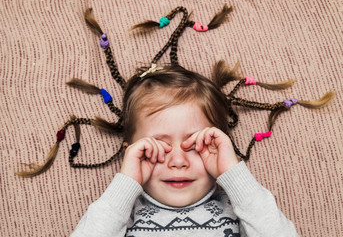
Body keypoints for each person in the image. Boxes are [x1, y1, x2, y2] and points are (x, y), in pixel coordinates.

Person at [70, 65, 300, 236]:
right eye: (159, 146)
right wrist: (125, 183)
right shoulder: (119, 216)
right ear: (132, 154)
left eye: (195, 144)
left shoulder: (242, 210)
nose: (178, 161)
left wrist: (233, 173)